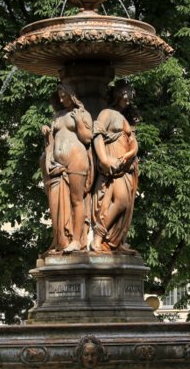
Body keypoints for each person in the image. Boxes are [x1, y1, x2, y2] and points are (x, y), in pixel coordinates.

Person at [42, 82, 94, 253]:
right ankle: (61, 240)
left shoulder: (82, 113)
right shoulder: (58, 115)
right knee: (58, 202)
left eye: (64, 96)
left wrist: (79, 122)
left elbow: (87, 138)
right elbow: (52, 141)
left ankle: (77, 241)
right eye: (60, 97)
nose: (62, 99)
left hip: (76, 159)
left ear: (72, 94)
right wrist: (47, 134)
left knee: (77, 200)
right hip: (58, 163)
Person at [90, 80, 140, 253]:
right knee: (121, 201)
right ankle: (98, 237)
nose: (129, 100)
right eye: (126, 96)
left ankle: (116, 243)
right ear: (119, 94)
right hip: (114, 166)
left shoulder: (124, 118)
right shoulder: (107, 113)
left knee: (126, 206)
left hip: (126, 167)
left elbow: (133, 143)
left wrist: (131, 152)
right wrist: (103, 159)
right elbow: (97, 134)